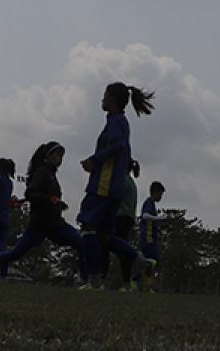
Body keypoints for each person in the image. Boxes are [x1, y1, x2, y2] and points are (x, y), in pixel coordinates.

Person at [0, 143, 81, 281]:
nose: (60, 159)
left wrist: (58, 203)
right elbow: (30, 193)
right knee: (14, 254)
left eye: (62, 156)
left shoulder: (51, 174)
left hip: (54, 224)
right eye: (57, 155)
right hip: (39, 225)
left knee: (82, 243)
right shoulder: (41, 172)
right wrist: (50, 199)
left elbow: (49, 198)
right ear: (48, 156)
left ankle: (88, 280)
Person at [78, 82, 153, 290]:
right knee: (105, 236)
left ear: (112, 99)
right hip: (115, 187)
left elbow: (118, 145)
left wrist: (95, 160)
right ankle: (140, 261)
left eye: (105, 94)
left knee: (87, 229)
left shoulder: (115, 120)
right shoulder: (121, 121)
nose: (102, 98)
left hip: (104, 185)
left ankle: (93, 282)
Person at [101, 158, 139, 289]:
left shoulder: (120, 180)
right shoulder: (131, 182)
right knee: (123, 249)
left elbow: (112, 199)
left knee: (105, 246)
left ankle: (101, 280)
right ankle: (127, 283)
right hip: (127, 219)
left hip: (118, 217)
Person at [139, 179, 165, 292]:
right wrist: (159, 218)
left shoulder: (152, 204)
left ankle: (147, 285)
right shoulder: (149, 202)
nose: (161, 197)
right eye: (160, 194)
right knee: (152, 263)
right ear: (155, 192)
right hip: (148, 239)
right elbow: (145, 216)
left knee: (150, 263)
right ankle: (149, 287)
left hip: (151, 239)